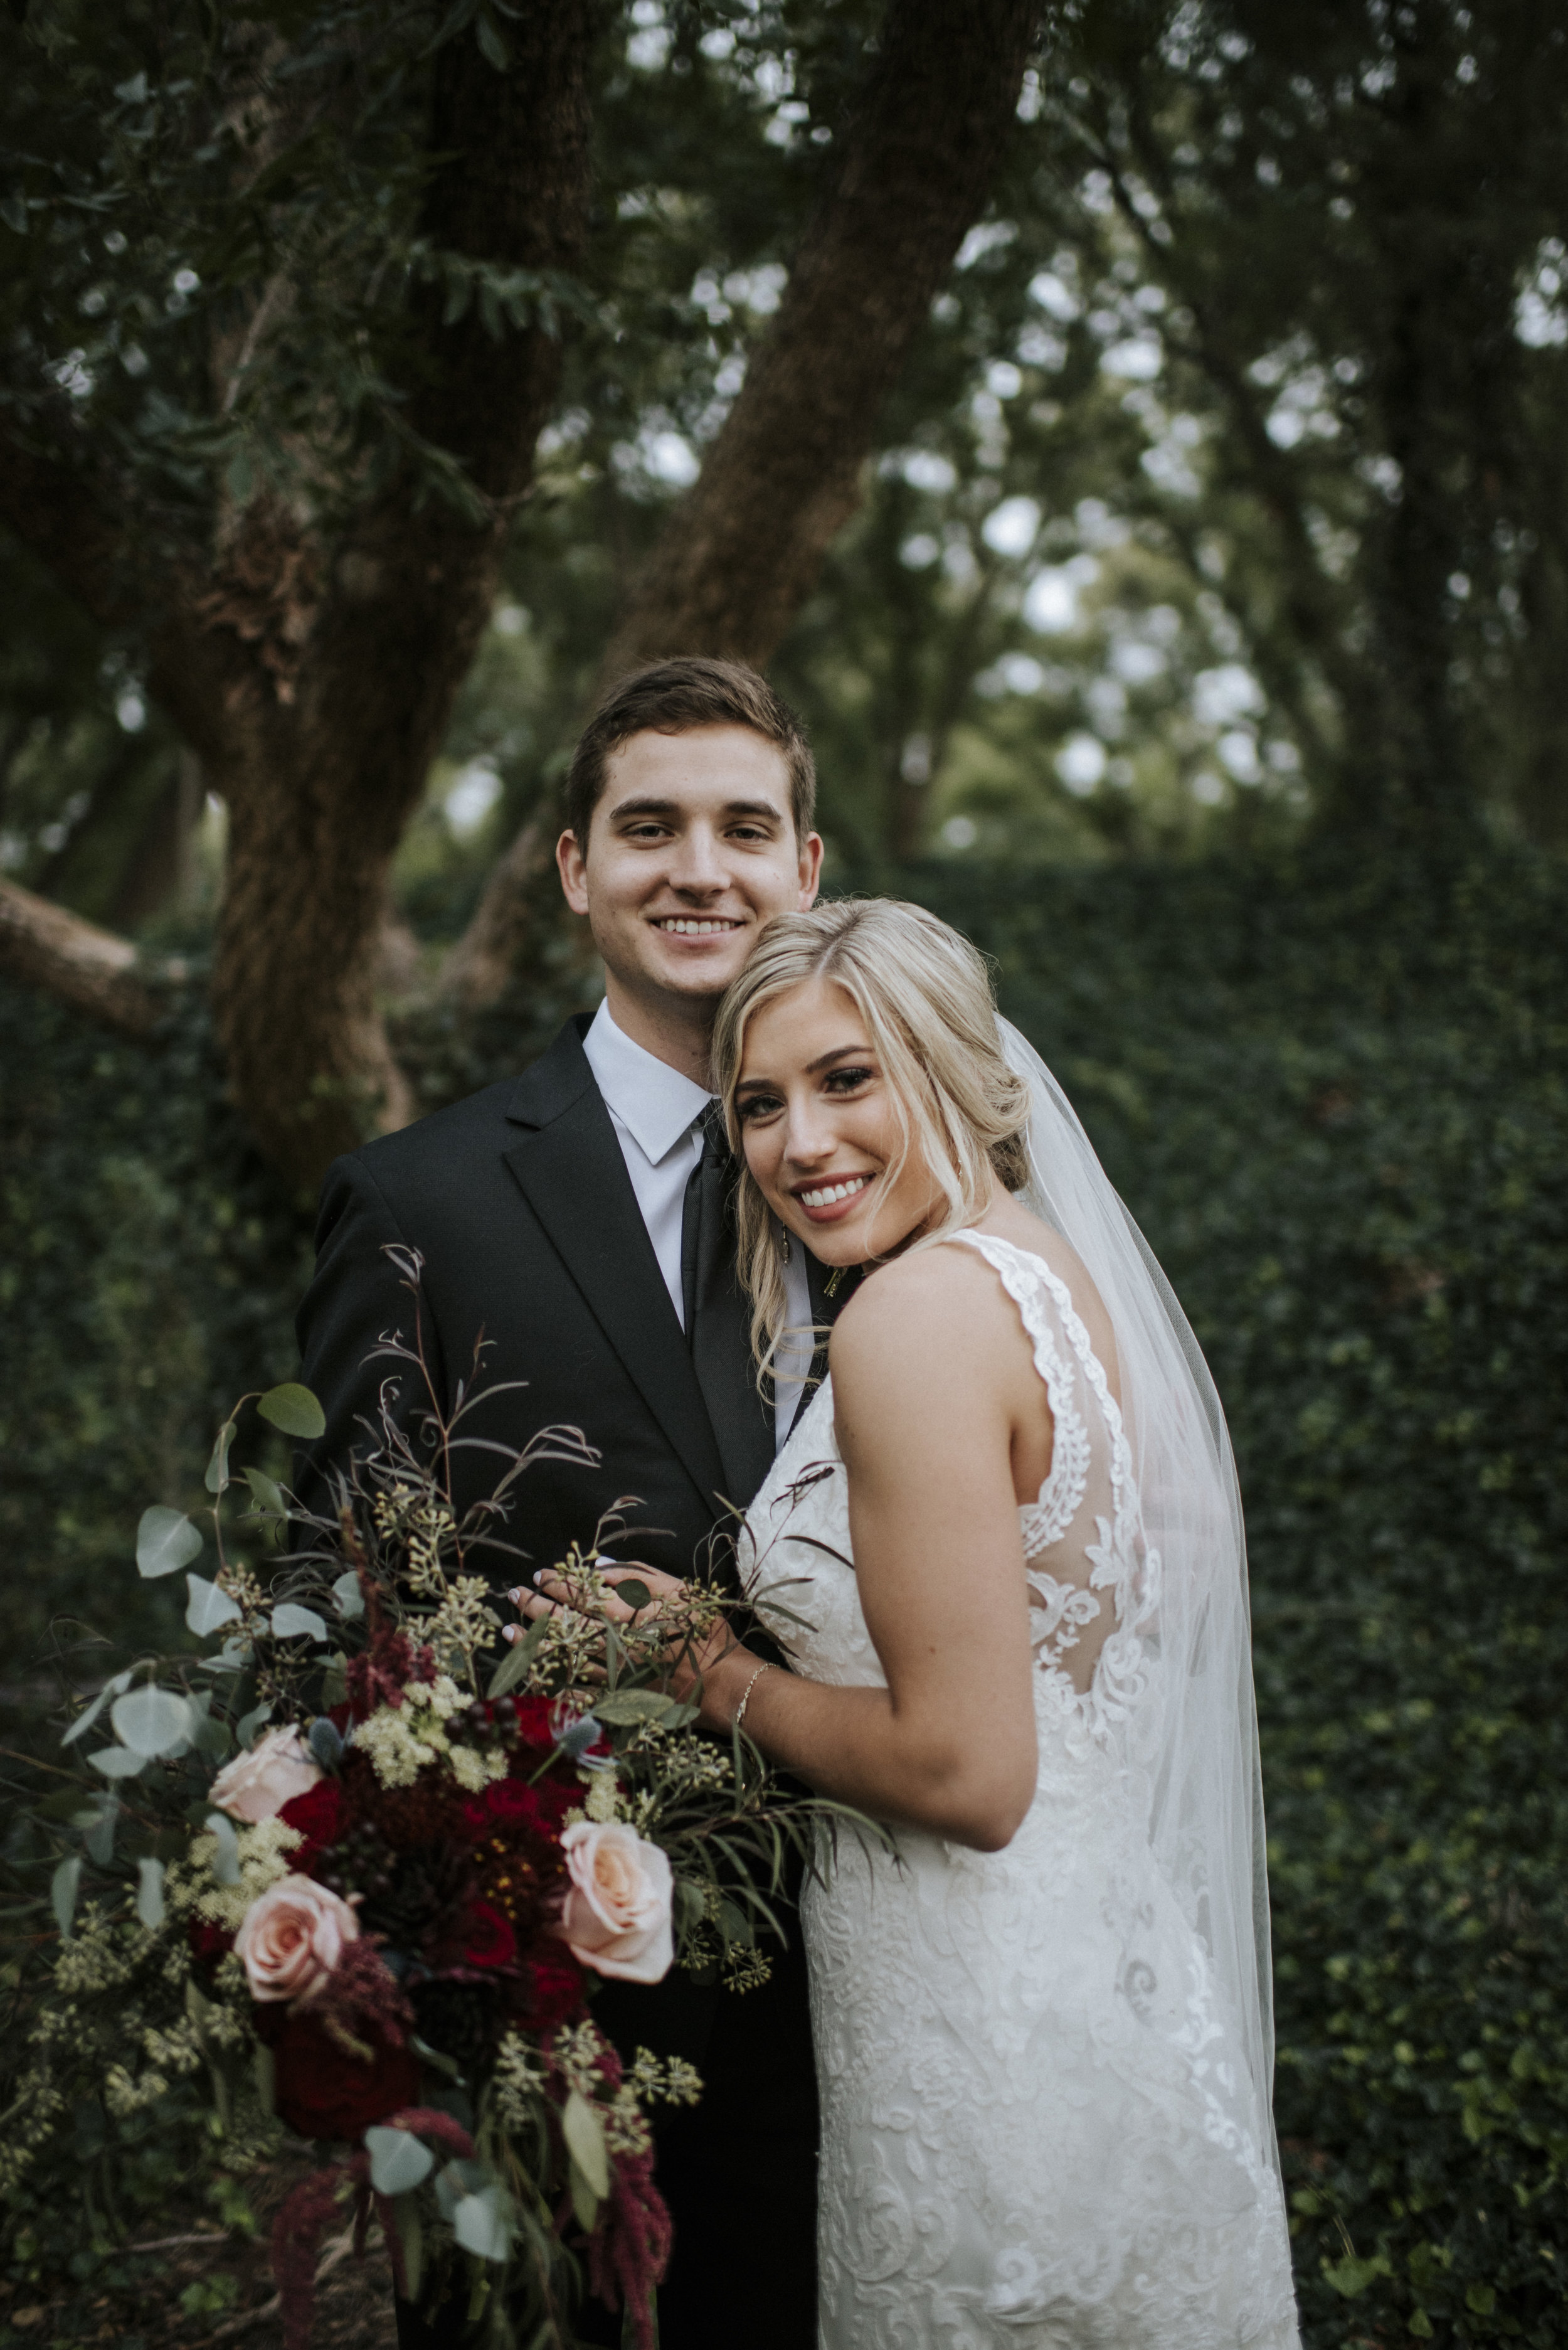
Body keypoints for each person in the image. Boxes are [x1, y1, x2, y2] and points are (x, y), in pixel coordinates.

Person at [524, 898, 1303, 2349]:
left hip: (980, 2040)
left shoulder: (913, 1322)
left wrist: (708, 1669)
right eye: (757, 1103)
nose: (798, 1144)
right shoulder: (1052, 1282)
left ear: (952, 1063)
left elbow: (969, 1776)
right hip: (1107, 1996)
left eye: (846, 1078)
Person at [294, 657, 837, 2349]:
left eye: (744, 827)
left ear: (805, 873)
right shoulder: (420, 1197)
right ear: (572, 866)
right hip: (549, 2003)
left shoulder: (890, 1184)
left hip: (874, 1967)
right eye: (650, 824)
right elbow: (349, 1600)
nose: (700, 866)